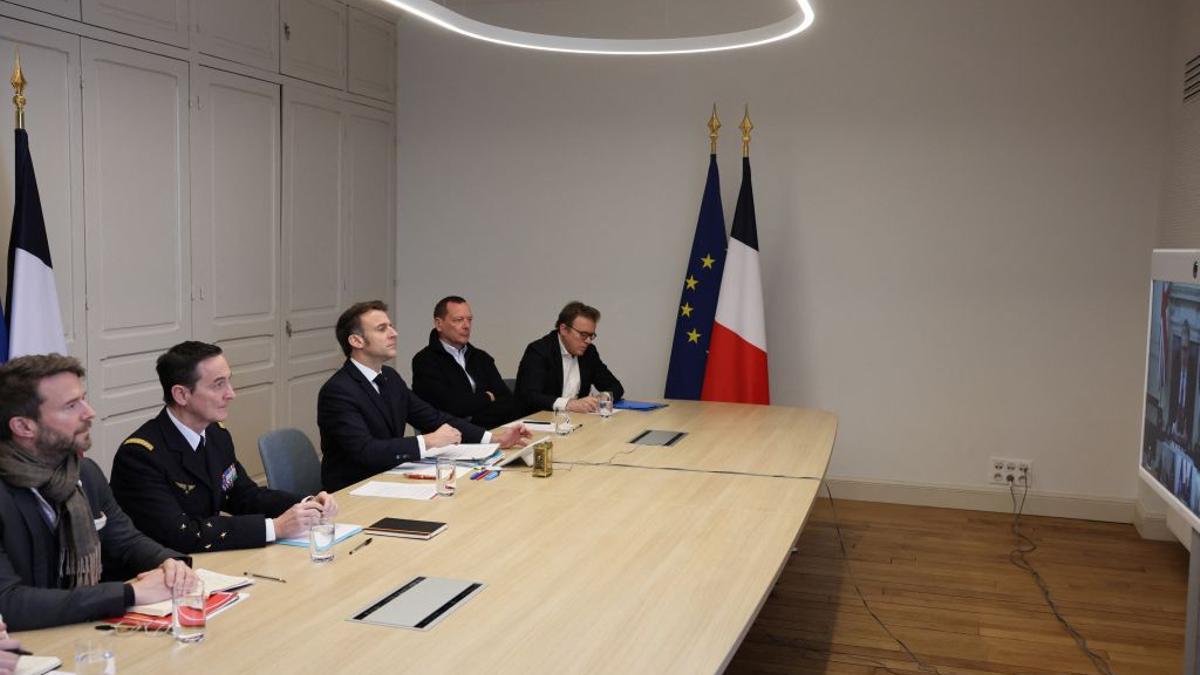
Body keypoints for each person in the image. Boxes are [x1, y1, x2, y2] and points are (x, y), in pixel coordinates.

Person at [0, 354, 196, 631]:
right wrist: (129, 594)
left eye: (84, 398)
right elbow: (8, 604)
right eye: (71, 405)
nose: (89, 412)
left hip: (80, 633)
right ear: (23, 426)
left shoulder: (83, 472)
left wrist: (169, 562)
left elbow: (125, 541)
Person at [110, 341, 338, 553]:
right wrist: (274, 528)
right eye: (218, 385)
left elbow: (244, 495)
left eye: (229, 381)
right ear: (181, 394)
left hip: (205, 559)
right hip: (162, 570)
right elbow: (180, 533)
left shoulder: (215, 435)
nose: (231, 394)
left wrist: (307, 504)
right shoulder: (140, 455)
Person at [318, 300, 531, 492]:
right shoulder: (338, 391)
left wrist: (494, 439)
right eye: (382, 329)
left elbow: (434, 417)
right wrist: (427, 441)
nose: (394, 333)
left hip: (390, 479)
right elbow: (366, 450)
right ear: (356, 341)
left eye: (391, 326)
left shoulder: (389, 377)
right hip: (353, 490)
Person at [412, 296, 525, 428]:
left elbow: (506, 400)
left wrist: (471, 412)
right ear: (439, 324)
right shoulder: (425, 361)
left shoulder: (481, 358)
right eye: (459, 320)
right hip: (451, 440)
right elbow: (450, 407)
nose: (466, 326)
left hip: (493, 433)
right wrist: (488, 397)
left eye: (469, 320)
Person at [516, 301, 624, 413]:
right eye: (583, 335)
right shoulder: (539, 351)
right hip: (538, 422)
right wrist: (569, 404)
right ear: (563, 329)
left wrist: (602, 397)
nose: (588, 341)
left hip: (576, 422)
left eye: (591, 336)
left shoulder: (589, 352)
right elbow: (528, 396)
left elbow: (615, 386)